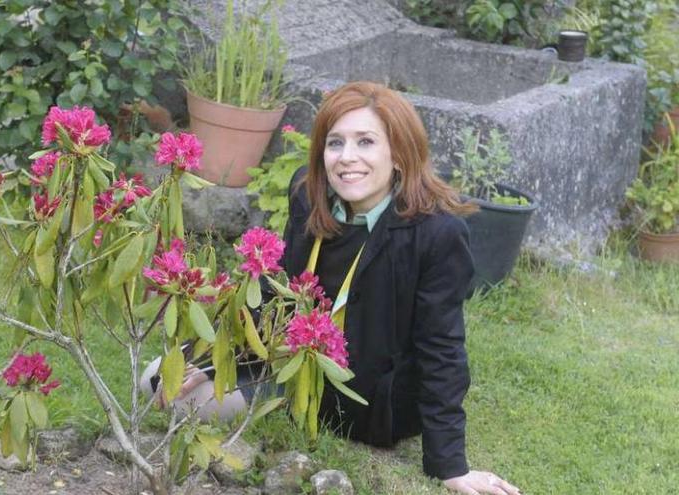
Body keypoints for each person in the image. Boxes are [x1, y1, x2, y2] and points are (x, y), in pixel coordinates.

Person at [142, 81, 520, 495]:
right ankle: (272, 392)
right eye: (335, 143)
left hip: (368, 392)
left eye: (366, 142)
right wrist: (213, 359)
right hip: (289, 357)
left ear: (398, 153)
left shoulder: (438, 233)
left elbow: (442, 348)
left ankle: (291, 402)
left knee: (184, 402)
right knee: (158, 381)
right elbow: (278, 288)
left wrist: (451, 466)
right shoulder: (309, 194)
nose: (347, 158)